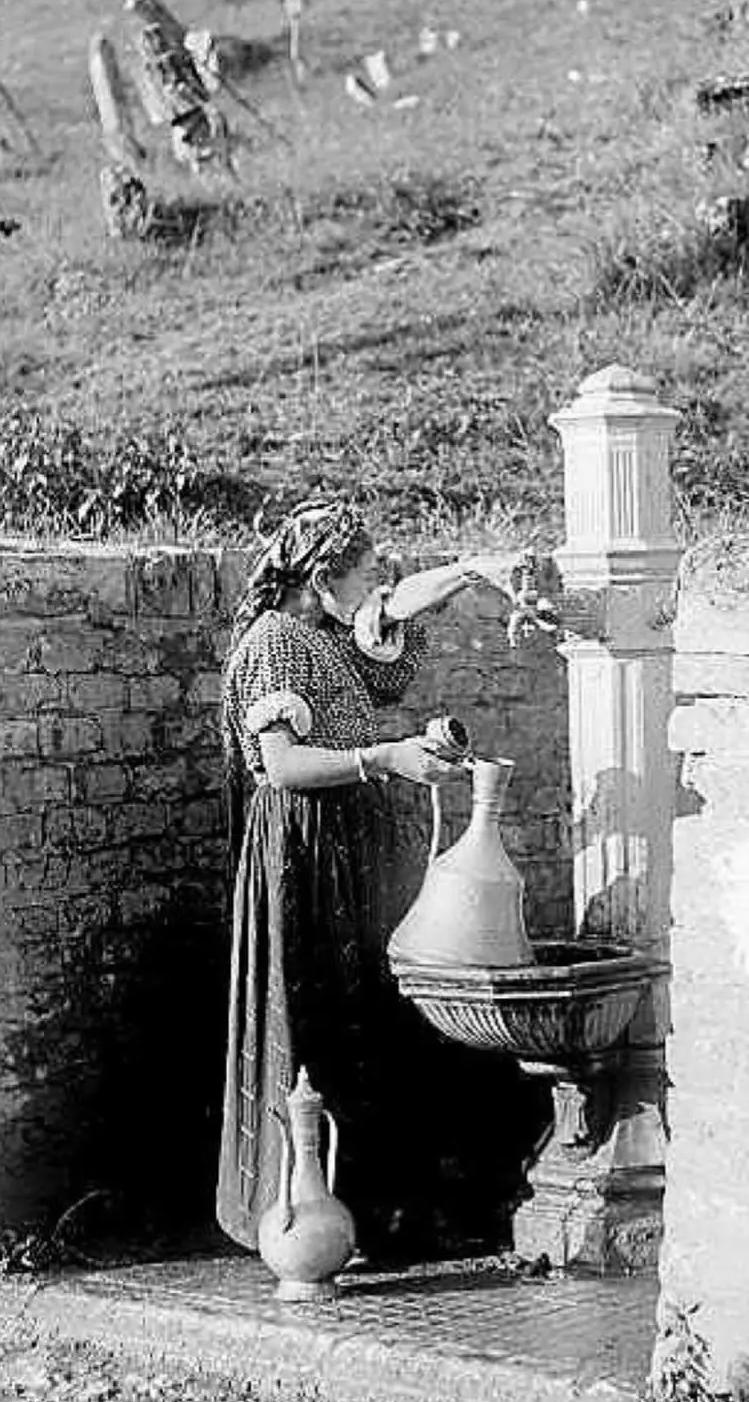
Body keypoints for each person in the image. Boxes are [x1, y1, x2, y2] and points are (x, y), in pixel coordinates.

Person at [217, 496, 545, 1260]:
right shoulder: (276, 644)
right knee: (320, 1010)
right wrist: (383, 758)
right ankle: (308, 1206)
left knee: (366, 1008)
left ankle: (372, 1205)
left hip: (346, 840)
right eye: (364, 573)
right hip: (301, 847)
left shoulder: (325, 636)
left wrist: (471, 572)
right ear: (322, 577)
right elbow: (282, 765)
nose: (377, 585)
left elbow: (393, 609)